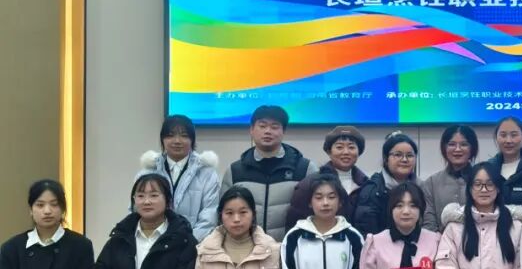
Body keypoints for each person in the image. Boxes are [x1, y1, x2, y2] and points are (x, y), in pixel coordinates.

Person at [220, 105, 318, 241]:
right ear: (251, 130)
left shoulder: (304, 168)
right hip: (247, 247)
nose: (268, 131)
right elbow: (223, 215)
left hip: (290, 247)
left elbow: (316, 213)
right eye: (262, 126)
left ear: (283, 131)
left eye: (274, 127)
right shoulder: (235, 171)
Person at [138, 114, 220, 241]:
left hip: (192, 246)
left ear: (192, 140)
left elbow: (209, 218)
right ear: (162, 139)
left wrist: (186, 243)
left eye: (184, 135)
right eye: (170, 135)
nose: (177, 141)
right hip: (152, 244)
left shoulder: (207, 174)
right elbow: (136, 211)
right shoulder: (147, 172)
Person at [286, 126, 367, 228]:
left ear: (359, 152)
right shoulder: (309, 184)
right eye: (339, 147)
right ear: (329, 151)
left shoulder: (366, 184)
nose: (346, 152)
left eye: (351, 147)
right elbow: (295, 222)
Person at [353, 132, 418, 238]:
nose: (404, 159)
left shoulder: (420, 187)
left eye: (409, 155)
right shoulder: (372, 190)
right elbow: (367, 234)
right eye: (398, 155)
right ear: (386, 159)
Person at [421, 125, 478, 232]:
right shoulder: (431, 183)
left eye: (464, 144)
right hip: (440, 241)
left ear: (472, 148)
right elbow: (429, 225)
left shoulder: (483, 180)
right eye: (452, 144)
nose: (457, 149)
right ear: (444, 148)